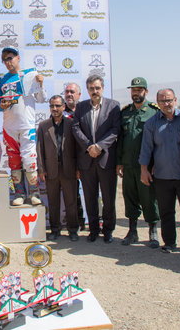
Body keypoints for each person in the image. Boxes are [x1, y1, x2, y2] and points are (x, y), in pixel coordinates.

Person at [140, 89, 180, 255]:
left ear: (175, 100)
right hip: (162, 175)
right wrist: (144, 169)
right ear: (157, 103)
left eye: (169, 100)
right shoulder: (152, 123)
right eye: (162, 101)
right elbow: (146, 149)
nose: (166, 104)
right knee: (166, 211)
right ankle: (169, 242)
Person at [0, 47, 47, 206]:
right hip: (9, 127)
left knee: (30, 160)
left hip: (27, 126)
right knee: (14, 161)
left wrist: (41, 83)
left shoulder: (29, 76)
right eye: (4, 60)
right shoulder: (2, 81)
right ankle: (19, 193)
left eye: (10, 58)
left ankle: (34, 193)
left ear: (18, 57)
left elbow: (42, 99)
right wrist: (2, 105)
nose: (8, 62)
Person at [71, 75, 120, 243]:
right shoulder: (81, 107)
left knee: (108, 198)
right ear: (87, 90)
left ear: (102, 88)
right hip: (86, 161)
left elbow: (115, 130)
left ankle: (108, 230)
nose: (94, 91)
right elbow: (75, 128)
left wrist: (99, 146)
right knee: (90, 198)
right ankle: (93, 230)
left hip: (105, 160)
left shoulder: (113, 106)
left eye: (97, 88)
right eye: (91, 88)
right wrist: (88, 146)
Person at [116, 77, 160, 247]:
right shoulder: (125, 112)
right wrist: (119, 162)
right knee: (130, 197)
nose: (136, 93)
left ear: (146, 92)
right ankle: (132, 231)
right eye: (134, 90)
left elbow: (158, 141)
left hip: (146, 166)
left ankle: (153, 230)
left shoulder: (154, 112)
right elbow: (121, 139)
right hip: (128, 164)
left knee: (149, 198)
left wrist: (155, 163)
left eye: (140, 90)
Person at [37, 95, 79, 241]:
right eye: (52, 106)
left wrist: (78, 168)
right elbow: (39, 148)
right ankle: (55, 230)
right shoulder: (43, 126)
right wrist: (41, 169)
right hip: (51, 170)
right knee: (53, 201)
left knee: (71, 201)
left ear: (63, 106)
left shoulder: (72, 124)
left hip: (69, 169)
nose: (54, 109)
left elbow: (77, 149)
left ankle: (73, 230)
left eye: (57, 106)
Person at [63, 82, 86, 230]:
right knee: (73, 193)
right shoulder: (60, 111)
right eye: (67, 92)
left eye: (72, 92)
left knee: (93, 191)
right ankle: (78, 221)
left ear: (79, 94)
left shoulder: (86, 110)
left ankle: (98, 221)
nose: (69, 94)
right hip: (70, 159)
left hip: (87, 156)